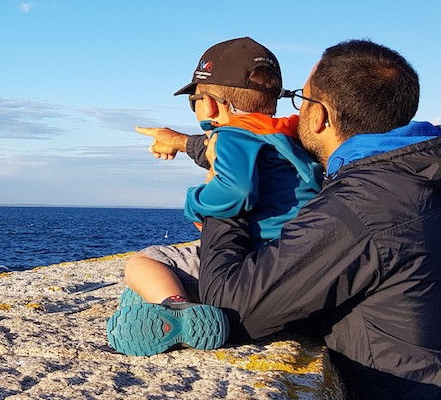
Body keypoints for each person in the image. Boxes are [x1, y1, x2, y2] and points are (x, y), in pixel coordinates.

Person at [192, 39, 441, 400]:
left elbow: (229, 303)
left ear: (319, 116)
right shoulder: (410, 178)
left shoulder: (363, 206)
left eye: (300, 100)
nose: (294, 112)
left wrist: (225, 202)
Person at [107, 37, 322, 356]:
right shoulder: (290, 138)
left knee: (146, 262)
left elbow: (237, 189)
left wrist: (195, 203)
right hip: (294, 260)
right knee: (141, 291)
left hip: (247, 259)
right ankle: (163, 300)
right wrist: (178, 142)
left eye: (193, 99)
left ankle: (176, 308)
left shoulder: (230, 135)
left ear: (207, 105)